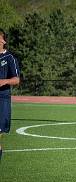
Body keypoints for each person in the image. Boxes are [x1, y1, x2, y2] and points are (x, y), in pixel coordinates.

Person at [0, 29, 20, 162]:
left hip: (2, 99)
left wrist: (4, 81)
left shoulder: (9, 58)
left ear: (3, 41)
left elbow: (17, 80)